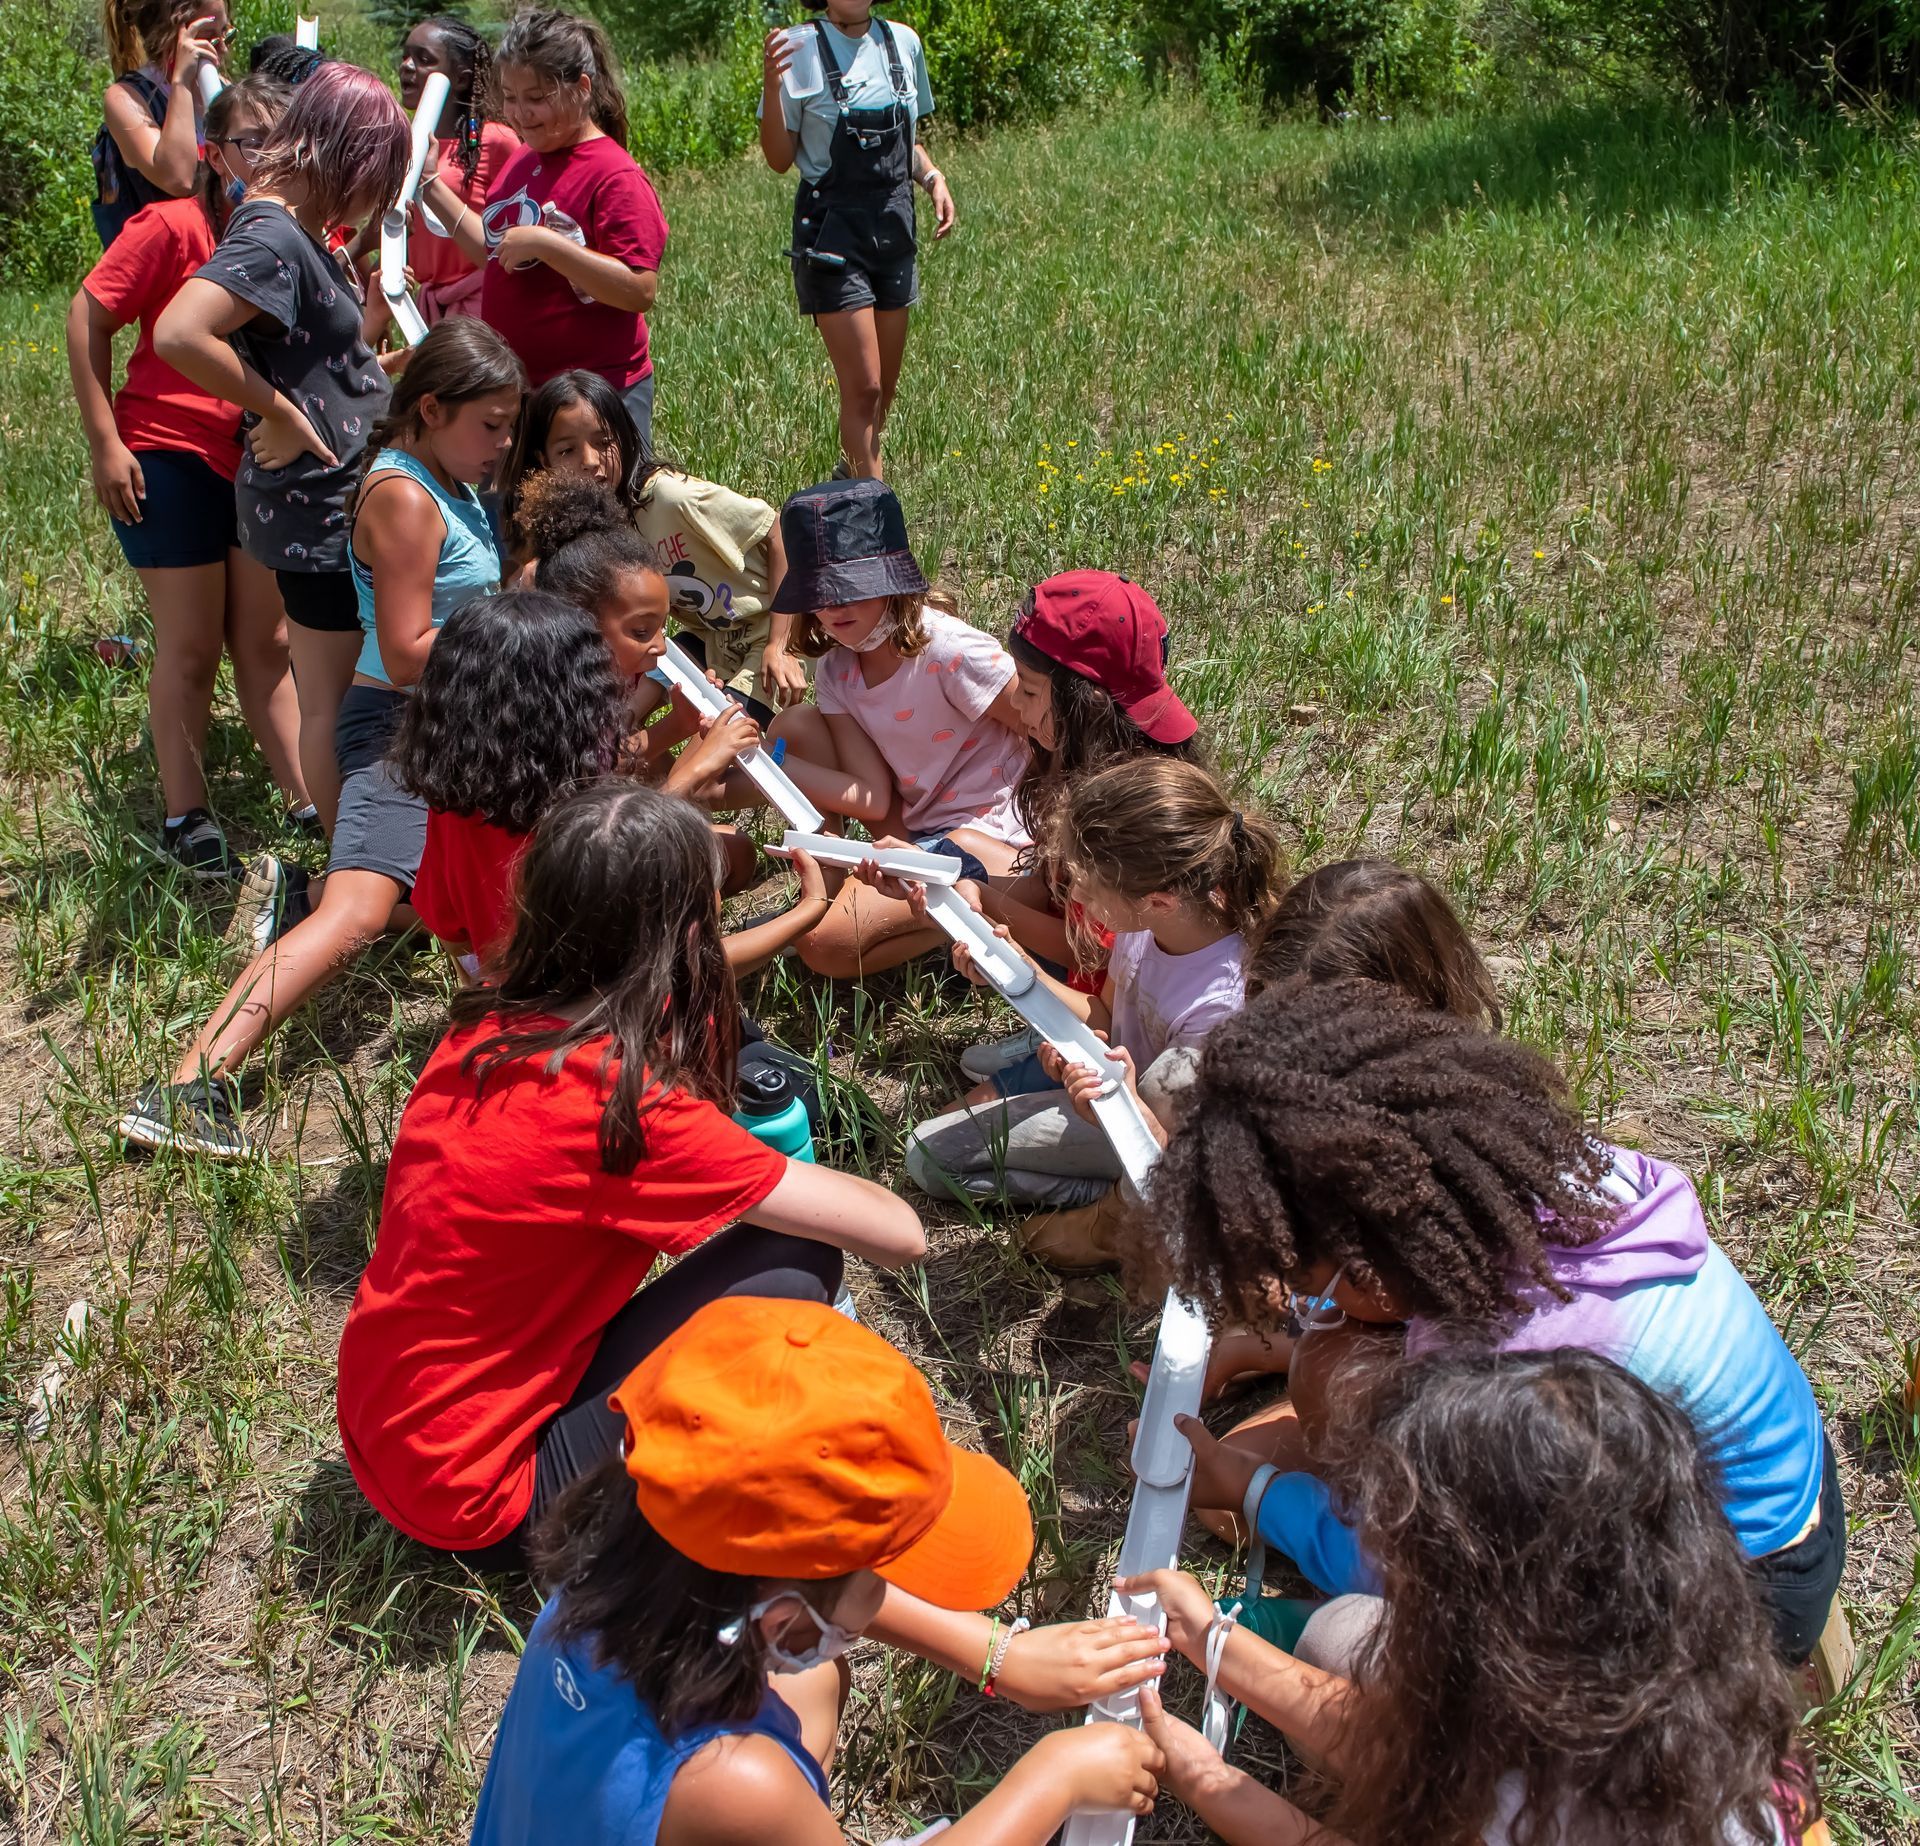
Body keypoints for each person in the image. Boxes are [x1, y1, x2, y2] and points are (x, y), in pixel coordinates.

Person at [1137, 977, 1845, 1667]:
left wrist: (1255, 1492)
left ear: (1367, 1265)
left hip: (1740, 1598)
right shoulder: (1533, 1173)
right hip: (1786, 1491)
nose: (1309, 1304)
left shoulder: (1512, 1376)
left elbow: (1427, 1572)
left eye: (1309, 1284)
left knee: (1412, 1653)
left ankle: (1301, 1632)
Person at [333, 786, 926, 1567]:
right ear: (688, 934)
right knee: (797, 1261)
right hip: (491, 1502)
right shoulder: (621, 1108)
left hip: (395, 1434)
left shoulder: (485, 1023)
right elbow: (902, 1236)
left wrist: (793, 921)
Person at [470, 1295, 1170, 1841]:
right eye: (878, 1572)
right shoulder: (741, 1784)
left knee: (811, 1689)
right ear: (784, 1623)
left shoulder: (609, 1586)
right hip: (737, 1802)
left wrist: (994, 1653)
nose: (887, 1590)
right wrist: (1054, 1779)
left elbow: (793, 1576)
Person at [1127, 1347, 1828, 1846]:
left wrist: (1209, 1782)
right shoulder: (1707, 1697)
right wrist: (1210, 1638)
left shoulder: (1542, 1814)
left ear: (1490, 1619)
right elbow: (1395, 1737)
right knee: (1340, 1631)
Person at [118, 319, 522, 1161]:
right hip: (404, 730)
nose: (504, 442)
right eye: (491, 423)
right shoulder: (407, 498)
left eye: (511, 424)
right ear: (433, 407)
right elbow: (411, 652)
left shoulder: (447, 481)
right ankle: (190, 1084)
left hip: (451, 722)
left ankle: (293, 902)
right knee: (361, 911)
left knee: (452, 899)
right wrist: (526, 635)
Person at [153, 61, 410, 836]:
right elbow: (177, 332)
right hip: (317, 510)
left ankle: (363, 845)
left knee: (353, 685)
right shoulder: (269, 232)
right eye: (377, 179)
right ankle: (352, 861)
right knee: (334, 694)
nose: (375, 202)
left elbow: (303, 353)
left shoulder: (287, 227)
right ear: (348, 158)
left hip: (340, 499)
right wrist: (279, 410)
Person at [67, 72, 309, 880]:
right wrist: (106, 441)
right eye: (252, 143)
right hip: (166, 454)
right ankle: (185, 814)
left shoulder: (291, 237)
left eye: (286, 143)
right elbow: (87, 314)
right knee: (193, 644)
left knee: (266, 641)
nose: (269, 158)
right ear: (212, 153)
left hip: (258, 462)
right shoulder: (171, 224)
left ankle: (304, 798)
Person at [904, 758, 1284, 1271]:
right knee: (926, 1155)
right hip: (1108, 1102)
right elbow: (1103, 1009)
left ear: (1159, 899)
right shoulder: (1146, 924)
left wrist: (1116, 1098)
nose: (1075, 896)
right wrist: (1019, 971)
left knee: (931, 1161)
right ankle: (1106, 1190)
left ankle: (1125, 1214)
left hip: (1154, 1138)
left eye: (1088, 885)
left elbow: (1176, 1149)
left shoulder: (1221, 1004)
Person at [391, 589, 812, 982]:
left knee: (732, 852)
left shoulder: (459, 798)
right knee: (697, 885)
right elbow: (616, 845)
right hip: (592, 985)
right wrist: (807, 912)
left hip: (509, 981)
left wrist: (679, 727)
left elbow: (449, 929)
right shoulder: (549, 812)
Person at [756, 478, 1031, 977]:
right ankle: (858, 896)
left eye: (851, 589)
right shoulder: (838, 670)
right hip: (921, 831)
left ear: (892, 579)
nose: (834, 607)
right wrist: (767, 757)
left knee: (821, 943)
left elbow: (1050, 731)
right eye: (819, 592)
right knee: (793, 726)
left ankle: (971, 912)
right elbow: (871, 799)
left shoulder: (950, 650)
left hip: (998, 838)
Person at [953, 570, 1207, 1086]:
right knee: (958, 854)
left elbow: (1088, 947)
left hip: (1110, 1031)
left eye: (1026, 690)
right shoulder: (1079, 761)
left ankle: (1049, 1020)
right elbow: (1058, 894)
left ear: (1080, 702)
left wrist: (1009, 949)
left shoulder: (1125, 825)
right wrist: (978, 901)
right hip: (1092, 992)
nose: (1016, 706)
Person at [497, 370, 805, 723]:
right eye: (567, 449)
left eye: (603, 441)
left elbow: (779, 531)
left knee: (728, 741)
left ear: (626, 438)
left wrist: (780, 646)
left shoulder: (670, 498)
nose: (590, 460)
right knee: (622, 717)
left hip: (770, 627)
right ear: (544, 460)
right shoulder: (591, 530)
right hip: (710, 640)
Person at [420, 9, 668, 442]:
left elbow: (638, 289)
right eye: (511, 98)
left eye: (536, 97)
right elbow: (499, 254)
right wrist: (431, 186)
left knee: (599, 510)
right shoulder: (524, 158)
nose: (520, 113)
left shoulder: (614, 174)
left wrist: (549, 245)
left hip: (597, 398)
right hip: (524, 393)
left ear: (581, 89)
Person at [758, 0, 953, 479]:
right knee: (863, 389)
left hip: (893, 230)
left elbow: (908, 141)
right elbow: (779, 158)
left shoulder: (902, 42)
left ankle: (850, 479)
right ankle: (875, 519)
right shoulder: (798, 49)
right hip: (832, 239)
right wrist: (771, 83)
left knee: (882, 392)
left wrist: (932, 179)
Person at [359, 16, 518, 337]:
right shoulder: (401, 144)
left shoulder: (496, 141)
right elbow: (398, 229)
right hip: (426, 311)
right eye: (405, 56)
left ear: (461, 78)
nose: (407, 66)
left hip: (484, 310)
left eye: (424, 59)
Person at [94, 0, 228, 248]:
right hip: (164, 267)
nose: (222, 51)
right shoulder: (126, 98)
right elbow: (179, 179)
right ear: (172, 36)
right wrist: (181, 83)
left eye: (226, 35)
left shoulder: (222, 88)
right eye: (209, 38)